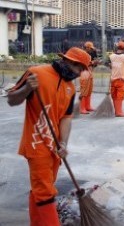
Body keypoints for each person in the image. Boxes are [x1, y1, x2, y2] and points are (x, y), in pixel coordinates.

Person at [7, 47, 90, 225]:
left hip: (54, 150)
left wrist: (63, 143)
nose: (79, 74)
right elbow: (12, 99)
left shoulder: (70, 88)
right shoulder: (36, 73)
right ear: (70, 62)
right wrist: (28, 88)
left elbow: (66, 118)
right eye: (80, 69)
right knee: (45, 192)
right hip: (36, 144)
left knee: (41, 189)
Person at [110, 41, 124, 117]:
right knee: (120, 96)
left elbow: (109, 65)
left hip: (113, 79)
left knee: (114, 95)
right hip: (121, 79)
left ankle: (117, 111)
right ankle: (119, 112)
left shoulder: (111, 56)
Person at [79, 41, 99, 114]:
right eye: (90, 48)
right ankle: (82, 108)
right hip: (84, 73)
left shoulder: (90, 54)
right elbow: (82, 64)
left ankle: (88, 106)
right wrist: (92, 63)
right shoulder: (81, 54)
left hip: (90, 73)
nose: (91, 50)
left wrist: (95, 63)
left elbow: (92, 63)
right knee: (84, 91)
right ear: (87, 48)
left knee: (89, 91)